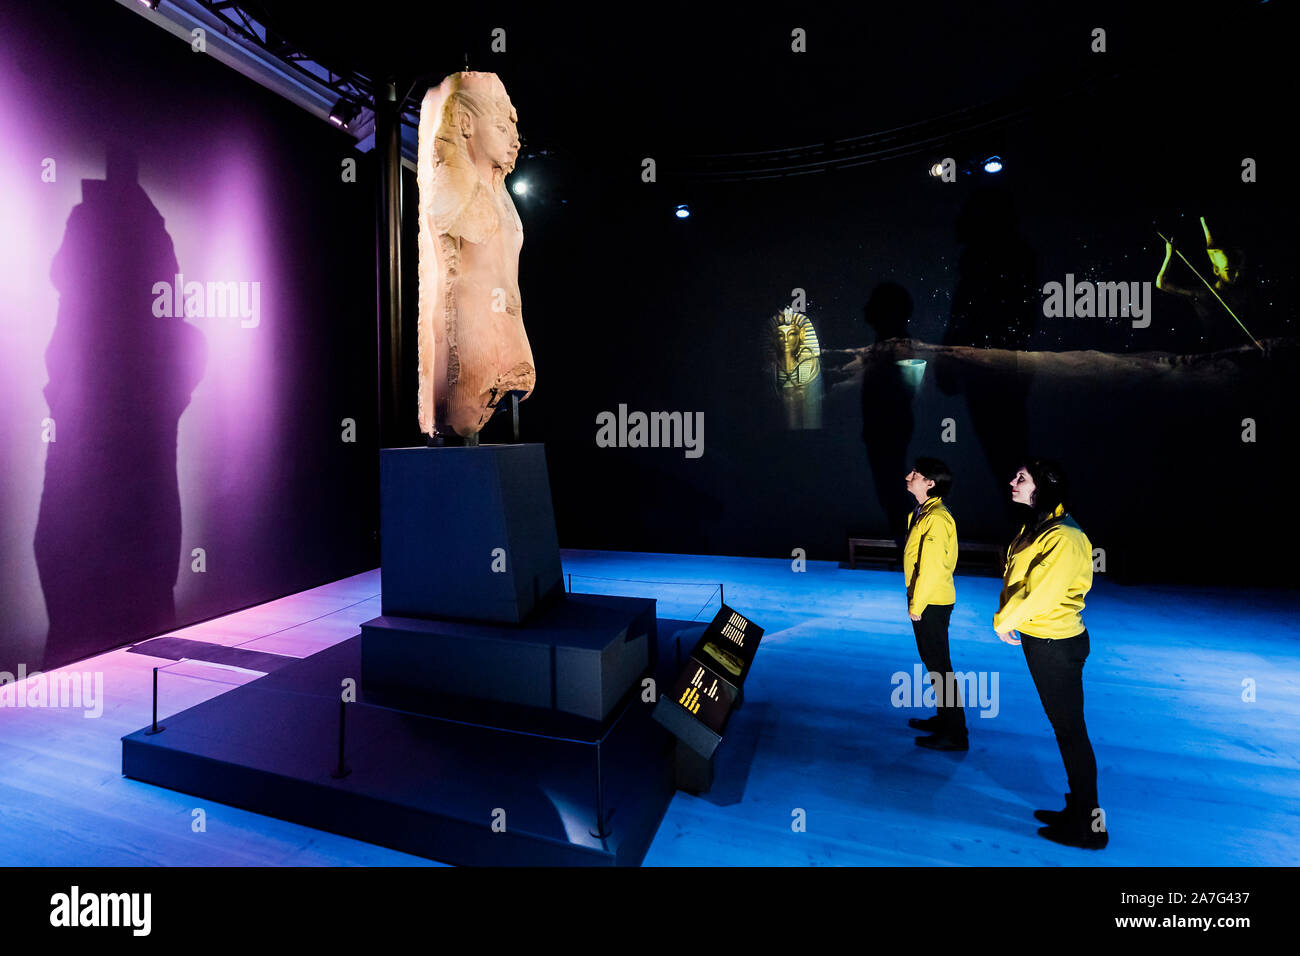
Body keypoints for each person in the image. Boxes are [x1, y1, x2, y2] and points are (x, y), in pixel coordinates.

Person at [994, 458, 1107, 849]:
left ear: (1043, 486)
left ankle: (1090, 827)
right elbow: (1017, 577)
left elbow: (1039, 592)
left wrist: (1002, 620)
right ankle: (1077, 809)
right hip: (1043, 639)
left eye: (1021, 478)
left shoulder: (1065, 537)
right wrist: (1010, 616)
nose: (1012, 481)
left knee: (1071, 733)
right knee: (1067, 731)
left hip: (1054, 643)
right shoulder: (1039, 527)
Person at [902, 457, 966, 751]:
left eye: (915, 473)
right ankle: (946, 721)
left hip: (931, 602)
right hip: (928, 599)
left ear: (930, 482)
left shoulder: (937, 518)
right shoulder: (923, 512)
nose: (909, 475)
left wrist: (917, 604)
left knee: (940, 666)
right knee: (935, 664)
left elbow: (931, 567)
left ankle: (955, 734)